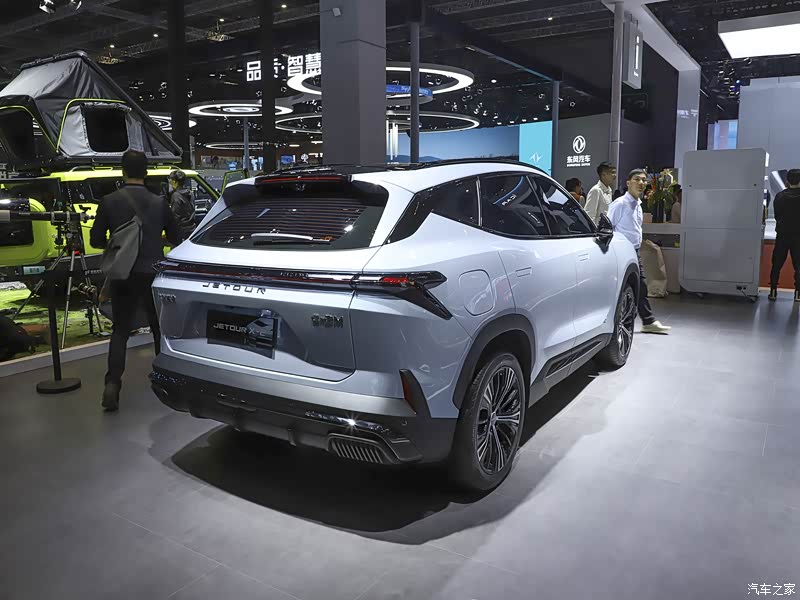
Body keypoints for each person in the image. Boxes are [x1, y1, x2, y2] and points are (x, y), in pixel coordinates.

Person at [90, 150, 180, 412]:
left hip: (123, 273)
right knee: (158, 328)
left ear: (123, 171)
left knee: (120, 330)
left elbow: (96, 240)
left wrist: (121, 242)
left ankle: (112, 384)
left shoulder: (109, 201)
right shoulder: (160, 203)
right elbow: (175, 237)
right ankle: (164, 380)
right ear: (146, 172)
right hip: (152, 271)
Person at [607, 169, 672, 334]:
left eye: (644, 180)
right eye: (637, 179)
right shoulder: (620, 204)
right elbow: (608, 227)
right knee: (631, 286)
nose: (641, 183)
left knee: (640, 286)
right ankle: (629, 321)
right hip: (621, 252)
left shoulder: (638, 205)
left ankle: (646, 320)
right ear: (628, 183)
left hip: (634, 251)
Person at [769, 168, 800, 302]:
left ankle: (773, 291)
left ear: (788, 180)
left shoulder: (780, 196)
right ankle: (798, 293)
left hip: (782, 235)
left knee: (776, 264)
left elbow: (777, 215)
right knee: (798, 266)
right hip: (798, 236)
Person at [167, 169, 195, 242]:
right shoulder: (190, 193)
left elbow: (175, 217)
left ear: (174, 181)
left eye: (170, 179)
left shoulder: (176, 196)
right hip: (191, 228)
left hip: (181, 231)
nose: (169, 181)